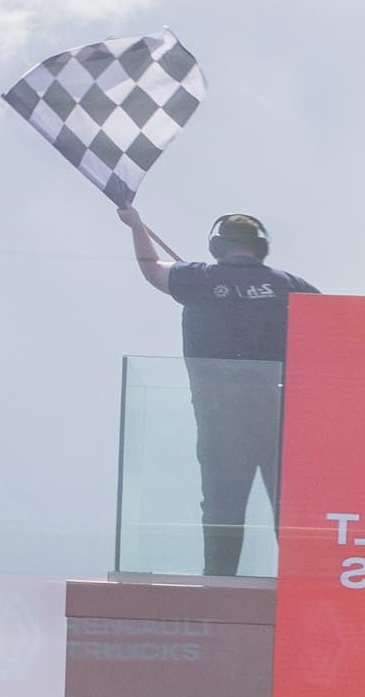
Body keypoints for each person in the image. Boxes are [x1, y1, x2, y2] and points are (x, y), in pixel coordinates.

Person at [120, 206, 319, 577]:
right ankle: (303, 586)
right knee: (288, 509)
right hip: (279, 422)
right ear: (260, 247)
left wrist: (135, 225)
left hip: (220, 423)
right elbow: (332, 323)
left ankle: (218, 587)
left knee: (222, 511)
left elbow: (151, 268)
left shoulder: (200, 278)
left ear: (217, 245)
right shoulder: (288, 285)